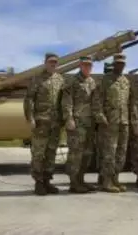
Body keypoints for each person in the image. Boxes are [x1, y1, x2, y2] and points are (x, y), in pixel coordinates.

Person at [92, 53, 138, 193]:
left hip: (123, 122)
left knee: (121, 153)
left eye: (122, 63)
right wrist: (100, 116)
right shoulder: (106, 80)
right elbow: (97, 100)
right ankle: (106, 181)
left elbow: (131, 103)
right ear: (114, 64)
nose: (120, 65)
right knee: (109, 153)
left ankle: (115, 179)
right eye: (118, 63)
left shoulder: (125, 81)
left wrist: (133, 121)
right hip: (109, 122)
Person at [24, 52, 66, 196]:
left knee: (51, 153)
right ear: (45, 63)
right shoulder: (37, 79)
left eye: (55, 62)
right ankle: (38, 182)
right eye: (50, 62)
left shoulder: (60, 79)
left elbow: (63, 101)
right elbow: (29, 99)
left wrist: (64, 119)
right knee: (38, 153)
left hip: (55, 124)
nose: (53, 64)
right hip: (41, 122)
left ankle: (47, 181)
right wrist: (31, 118)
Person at [61, 55, 97, 194]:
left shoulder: (91, 82)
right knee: (76, 154)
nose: (87, 67)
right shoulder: (72, 81)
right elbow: (67, 102)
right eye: (85, 65)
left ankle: (81, 180)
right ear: (80, 66)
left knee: (86, 154)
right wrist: (69, 119)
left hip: (89, 124)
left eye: (89, 65)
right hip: (77, 124)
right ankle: (74, 183)